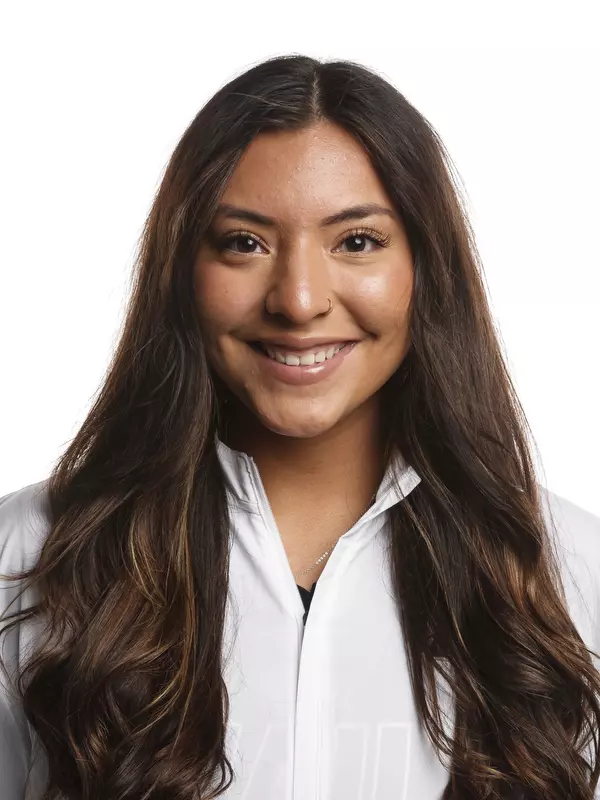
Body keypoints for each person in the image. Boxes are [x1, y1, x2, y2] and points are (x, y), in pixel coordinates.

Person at [1, 54, 600, 800]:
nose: (299, 299)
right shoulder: (27, 554)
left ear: (426, 270)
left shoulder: (572, 573)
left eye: (357, 241)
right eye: (244, 242)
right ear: (183, 269)